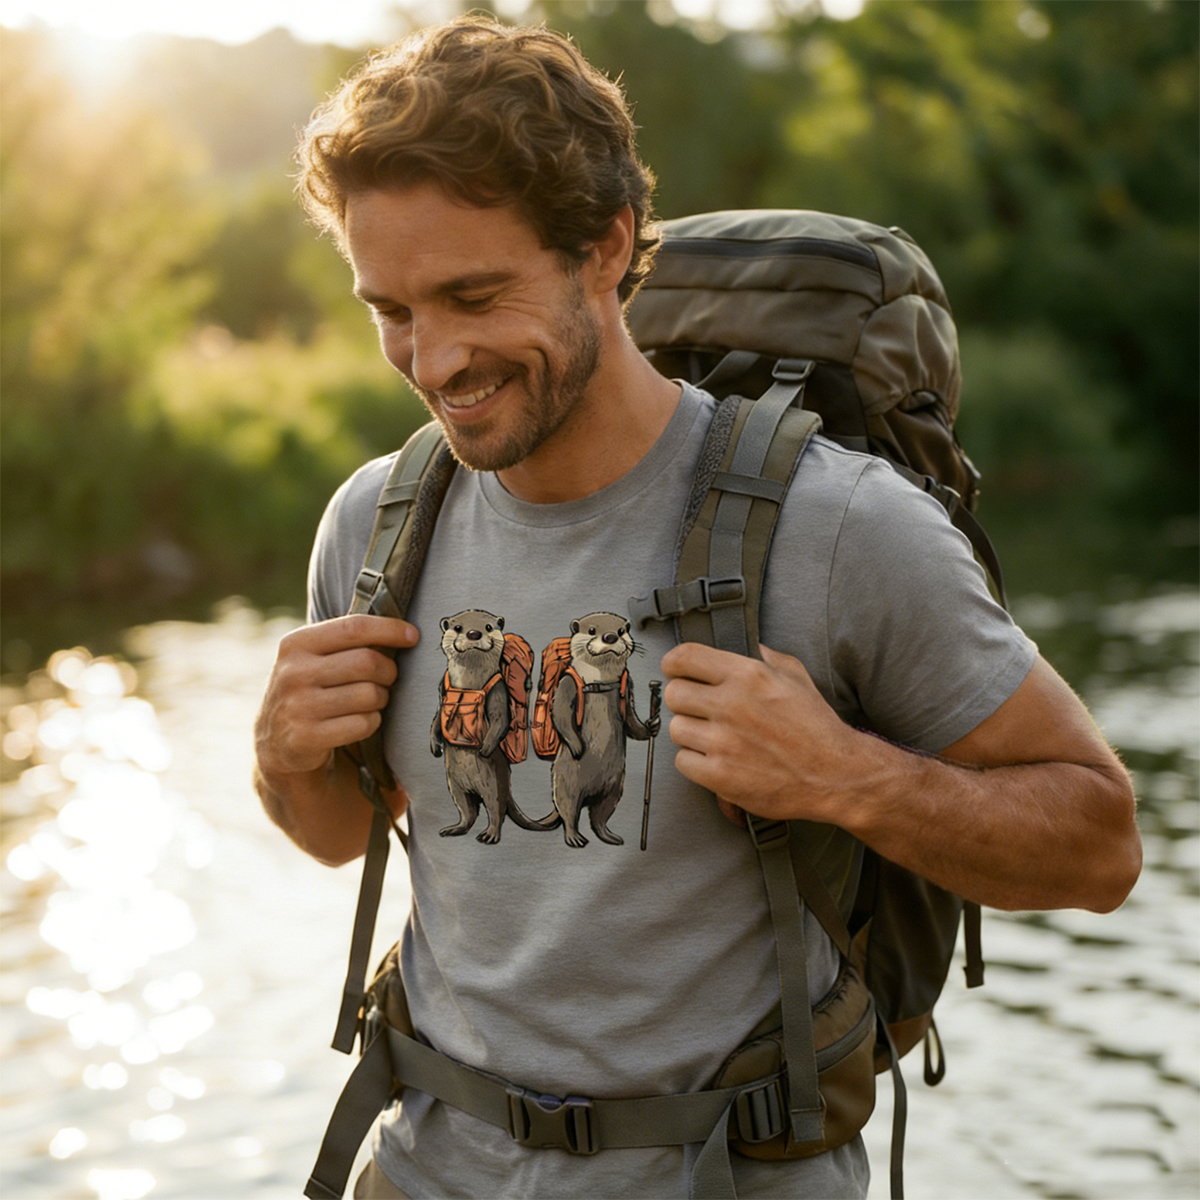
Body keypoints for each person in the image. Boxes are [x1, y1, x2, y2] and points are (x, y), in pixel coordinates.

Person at [253, 15, 1142, 1200]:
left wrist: (847, 778)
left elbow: (1100, 844)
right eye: (392, 309)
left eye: (474, 294)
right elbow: (330, 835)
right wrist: (278, 757)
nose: (433, 359)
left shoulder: (841, 528)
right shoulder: (376, 524)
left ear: (606, 247)